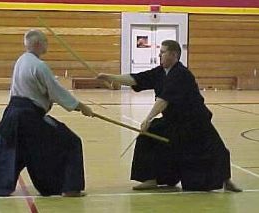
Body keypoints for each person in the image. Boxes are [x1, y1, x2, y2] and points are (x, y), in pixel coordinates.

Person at [97, 40, 242, 192]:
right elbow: (136, 79)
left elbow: (164, 99)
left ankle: (226, 181)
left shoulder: (181, 74)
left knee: (216, 149)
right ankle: (150, 179)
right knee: (148, 135)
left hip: (196, 122)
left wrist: (148, 119)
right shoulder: (160, 72)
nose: (159, 55)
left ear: (173, 55)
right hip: (174, 121)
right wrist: (110, 77)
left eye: (162, 52)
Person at [0, 29, 93, 197]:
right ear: (38, 44)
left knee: (6, 147)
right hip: (29, 117)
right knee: (71, 142)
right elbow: (56, 92)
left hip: (12, 114)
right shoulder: (39, 66)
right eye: (46, 42)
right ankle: (70, 188)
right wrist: (81, 106)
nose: (47, 45)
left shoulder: (21, 61)